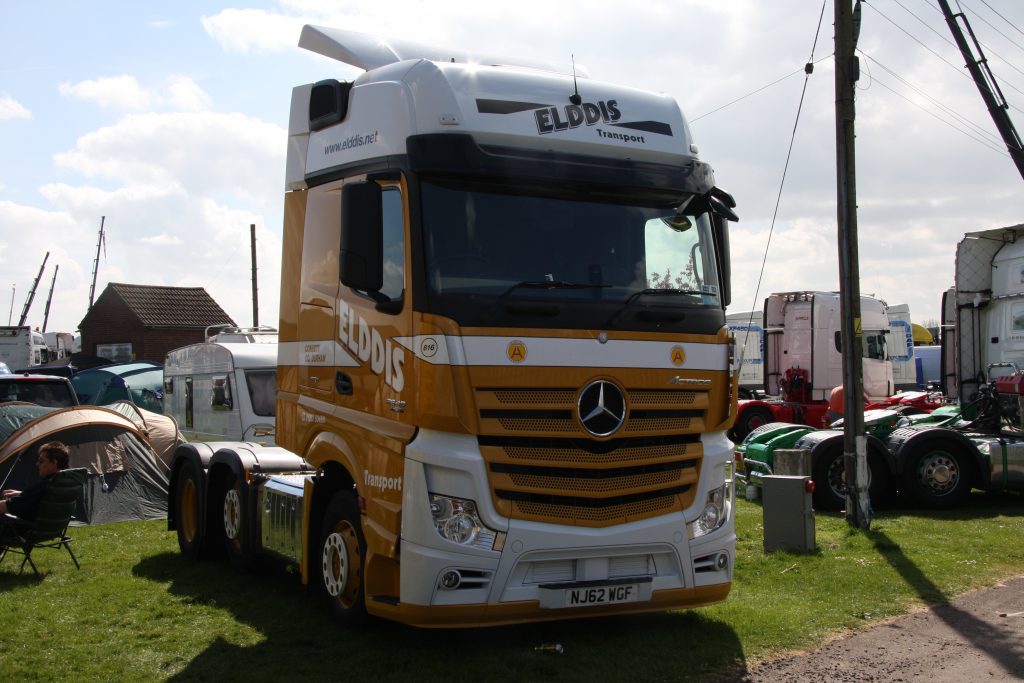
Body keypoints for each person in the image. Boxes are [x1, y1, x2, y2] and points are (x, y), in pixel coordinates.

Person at [0, 441, 70, 524]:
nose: (37, 464)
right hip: (49, 528)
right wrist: (22, 493)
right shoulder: (64, 483)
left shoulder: (44, 485)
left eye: (41, 461)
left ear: (54, 462)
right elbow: (41, 497)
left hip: (25, 529)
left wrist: (23, 496)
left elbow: (5, 506)